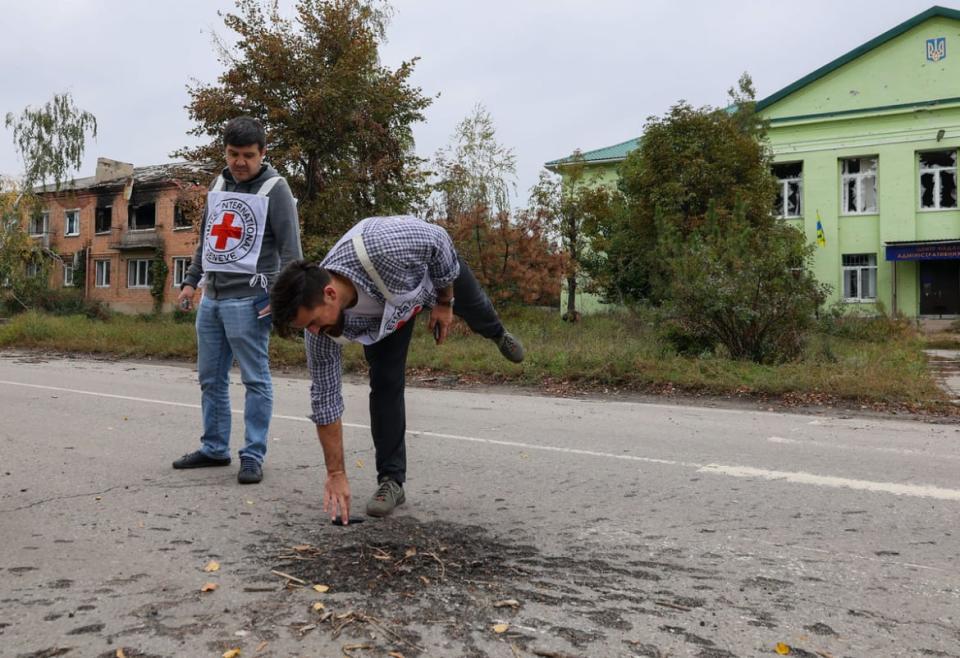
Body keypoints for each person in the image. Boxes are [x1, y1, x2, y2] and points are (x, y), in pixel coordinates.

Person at [270, 215, 524, 522]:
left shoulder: (381, 245)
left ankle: (496, 332)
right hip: (390, 318)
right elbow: (326, 401)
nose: (311, 333)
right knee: (385, 385)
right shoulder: (321, 336)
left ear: (330, 294)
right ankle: (391, 482)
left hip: (430, 280)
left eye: (311, 322)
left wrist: (444, 303)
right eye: (304, 328)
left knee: (475, 306)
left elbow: (439, 238)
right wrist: (335, 472)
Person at [172, 116, 303, 484]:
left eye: (248, 155)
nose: (239, 162)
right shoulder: (219, 183)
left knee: (255, 380)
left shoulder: (276, 189)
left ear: (263, 152)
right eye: (233, 154)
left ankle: (253, 455)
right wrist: (190, 282)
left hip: (250, 302)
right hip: (211, 300)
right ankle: (214, 448)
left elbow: (292, 254)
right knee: (210, 380)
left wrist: (280, 303)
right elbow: (208, 240)